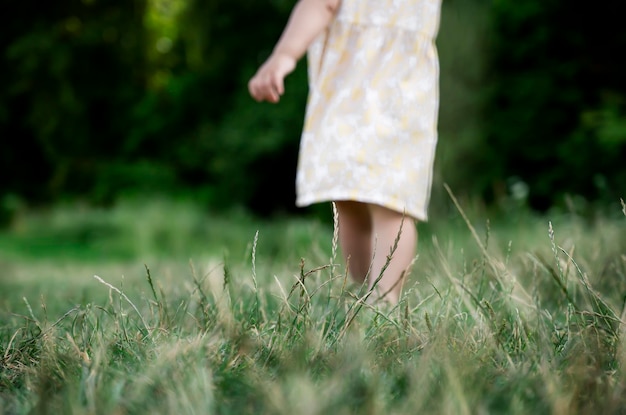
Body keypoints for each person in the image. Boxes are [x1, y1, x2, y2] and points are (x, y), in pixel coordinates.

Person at [249, 0, 442, 305]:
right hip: (407, 89)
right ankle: (378, 303)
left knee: (353, 200)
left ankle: (374, 300)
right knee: (392, 205)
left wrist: (284, 55)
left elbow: (322, 3)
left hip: (349, 89)